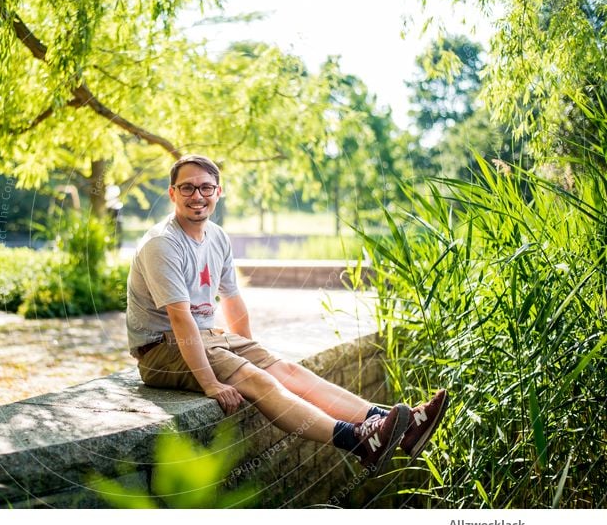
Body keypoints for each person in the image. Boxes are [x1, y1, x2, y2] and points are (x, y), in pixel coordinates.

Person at [126, 154, 448, 476]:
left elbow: (233, 300)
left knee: (288, 370)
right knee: (257, 379)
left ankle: (396, 426)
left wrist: (247, 350)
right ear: (172, 194)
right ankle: (358, 441)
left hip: (207, 337)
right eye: (187, 188)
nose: (197, 196)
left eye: (206, 188)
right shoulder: (163, 244)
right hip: (161, 349)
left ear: (218, 192)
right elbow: (181, 320)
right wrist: (211, 383)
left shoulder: (218, 237)